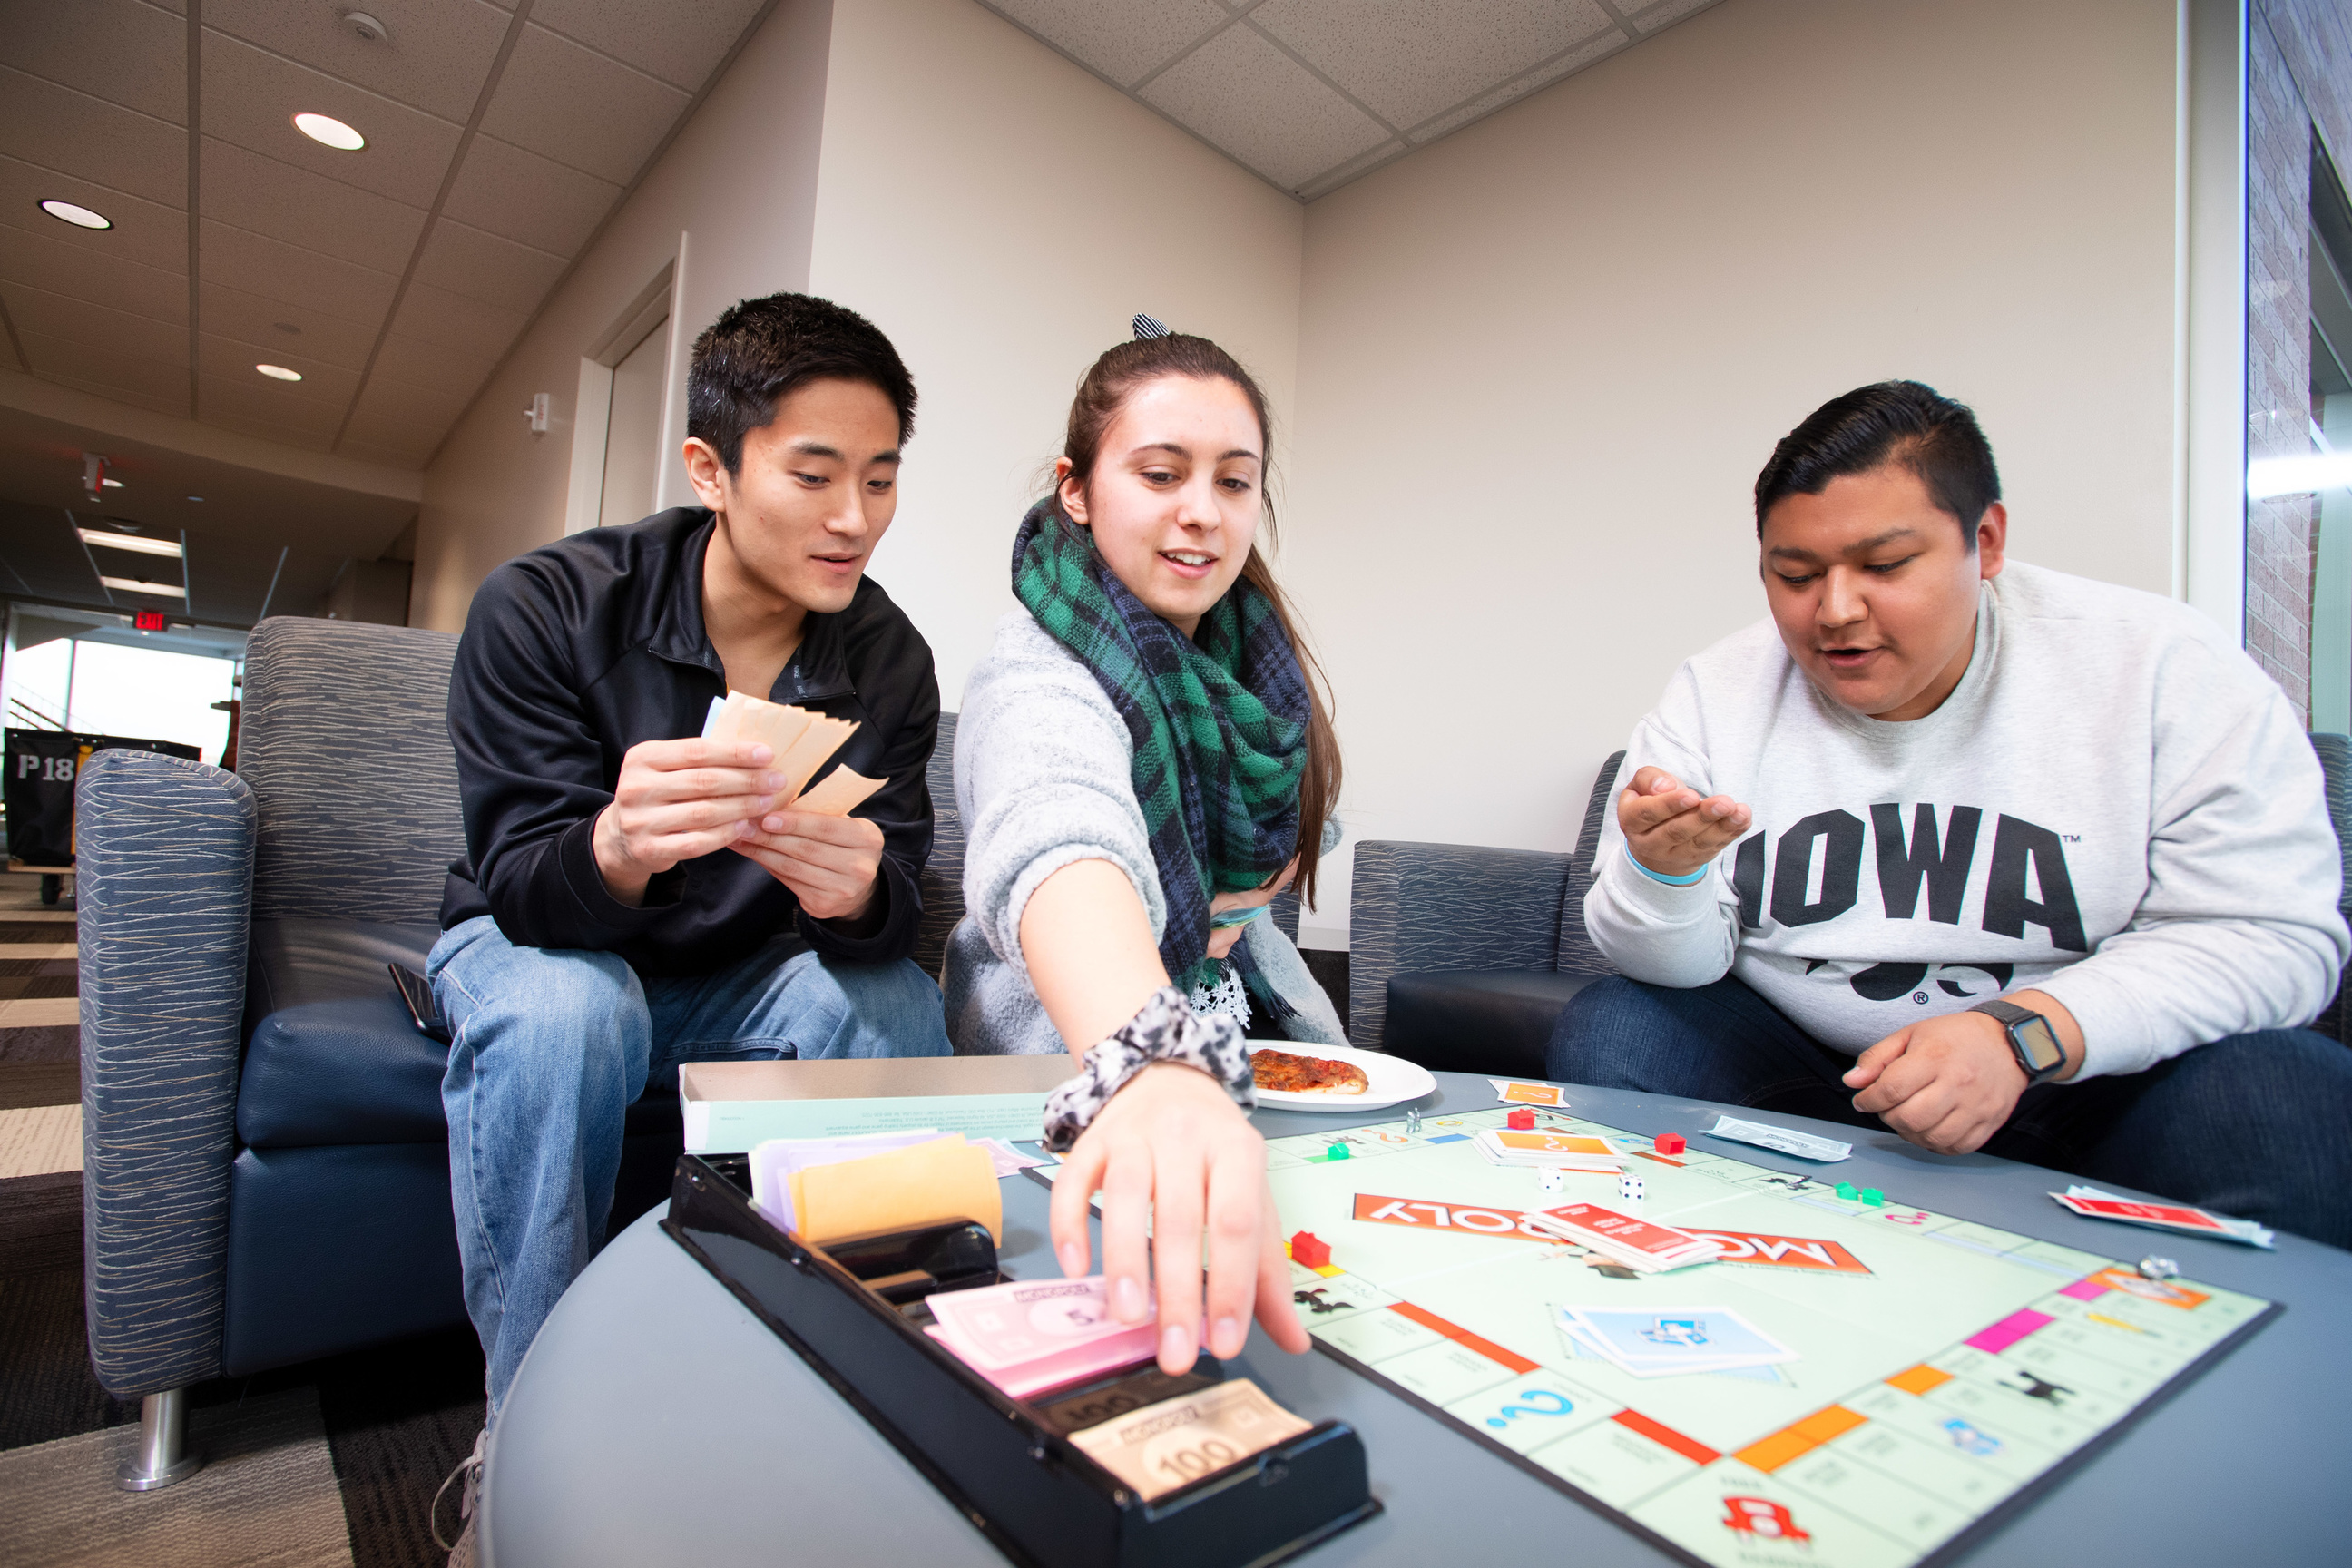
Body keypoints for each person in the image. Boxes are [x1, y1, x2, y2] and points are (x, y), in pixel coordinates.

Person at [1548, 379, 2352, 1249]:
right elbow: (1669, 967)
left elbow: (2273, 938)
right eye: (1794, 574)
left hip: (2082, 1081)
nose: (1836, 611)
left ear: (1987, 541)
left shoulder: (2166, 667)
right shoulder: (1716, 691)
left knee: (2290, 1093)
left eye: (1886, 567)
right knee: (1618, 1029)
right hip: (1819, 1080)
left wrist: (2021, 1040)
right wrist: (1666, 879)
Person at [431, 292, 952, 1458]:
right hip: (541, 947)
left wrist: (861, 895)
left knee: (889, 1003)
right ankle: (522, 1440)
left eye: (880, 478)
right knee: (572, 1009)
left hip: (736, 974)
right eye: (814, 476)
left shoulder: (889, 658)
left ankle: (840, 1396)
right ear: (710, 469)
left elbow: (895, 908)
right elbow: (517, 878)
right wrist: (612, 847)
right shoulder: (546, 606)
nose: (855, 518)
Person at [945, 324, 1345, 1376]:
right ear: (1077, 490)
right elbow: (1058, 828)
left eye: (1234, 481)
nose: (1202, 513)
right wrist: (1154, 1067)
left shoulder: (1248, 652)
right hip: (1100, 1071)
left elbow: (1274, 835)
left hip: (1259, 1042)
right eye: (1160, 473)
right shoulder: (1037, 669)